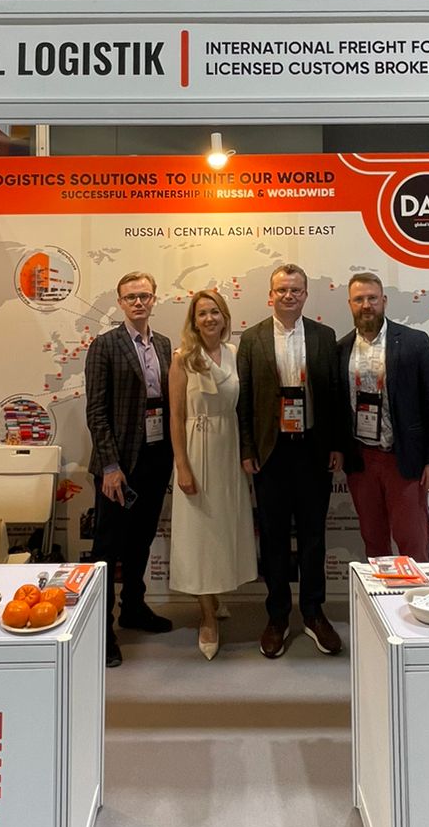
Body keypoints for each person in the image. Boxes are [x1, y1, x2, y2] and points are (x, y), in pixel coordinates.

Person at [237, 263, 347, 659]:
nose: (288, 296)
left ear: (305, 295)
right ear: (271, 295)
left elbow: (334, 396)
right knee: (274, 538)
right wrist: (247, 449)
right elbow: (244, 400)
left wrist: (336, 445)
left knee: (314, 536)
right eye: (282, 290)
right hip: (271, 452)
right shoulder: (252, 339)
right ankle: (278, 615)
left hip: (313, 450)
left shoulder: (323, 336)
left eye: (295, 290)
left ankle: (314, 612)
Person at [84, 270, 175, 668]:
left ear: (154, 299)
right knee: (108, 548)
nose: (139, 302)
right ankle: (102, 629)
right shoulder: (104, 346)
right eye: (131, 297)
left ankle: (134, 608)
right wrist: (109, 466)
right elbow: (96, 411)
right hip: (118, 466)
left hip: (156, 458)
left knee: (141, 540)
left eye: (145, 296)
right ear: (120, 302)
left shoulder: (165, 345)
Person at [168, 289, 258, 660]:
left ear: (225, 317)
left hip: (228, 451)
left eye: (215, 312)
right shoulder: (182, 358)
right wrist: (182, 465)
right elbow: (176, 416)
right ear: (194, 320)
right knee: (199, 534)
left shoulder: (236, 354)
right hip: (196, 448)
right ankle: (206, 615)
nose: (209, 318)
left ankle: (216, 596)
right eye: (202, 313)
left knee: (222, 531)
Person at [336, 273, 429, 563]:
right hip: (361, 461)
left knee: (413, 540)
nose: (366, 305)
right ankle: (382, 593)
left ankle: (419, 591)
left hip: (404, 459)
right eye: (359, 299)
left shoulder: (414, 342)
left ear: (384, 301)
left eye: (372, 298)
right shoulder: (340, 349)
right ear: (350, 304)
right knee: (373, 542)